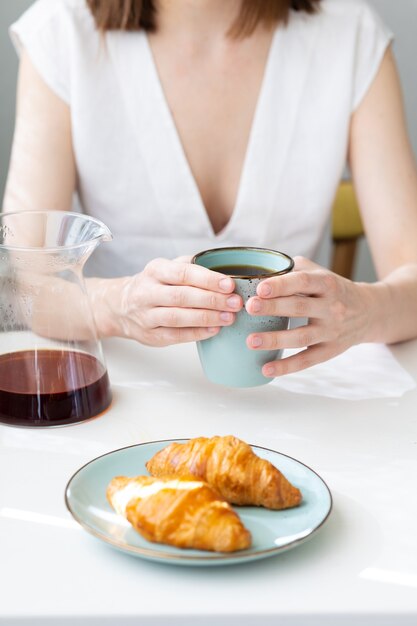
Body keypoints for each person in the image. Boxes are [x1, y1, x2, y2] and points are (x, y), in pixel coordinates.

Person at [3, 0, 417, 378]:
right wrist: (120, 305)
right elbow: (22, 283)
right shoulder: (62, 33)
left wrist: (363, 311)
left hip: (299, 396)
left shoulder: (350, 36)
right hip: (123, 391)